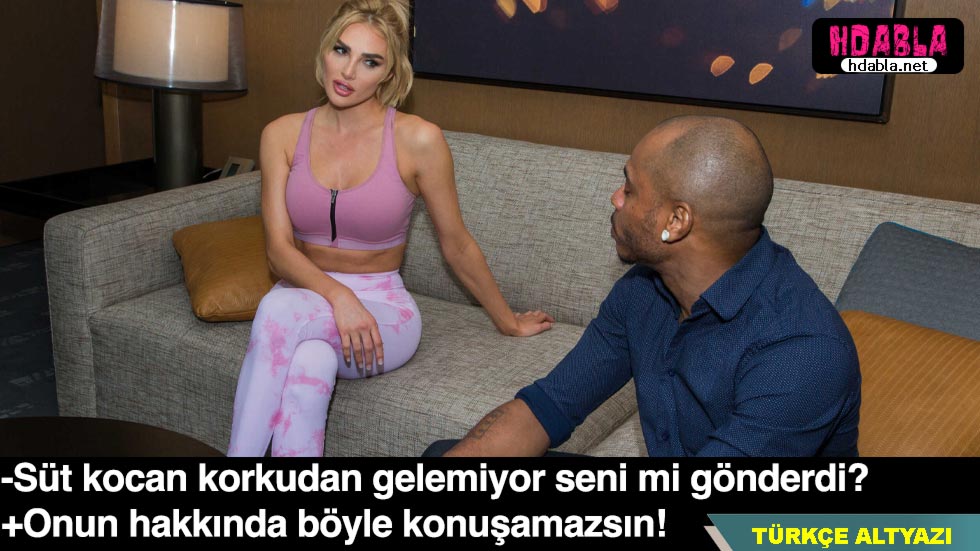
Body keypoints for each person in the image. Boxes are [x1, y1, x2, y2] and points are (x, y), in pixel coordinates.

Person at [227, 0, 554, 457]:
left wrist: (508, 321)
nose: (348, 71)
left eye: (370, 61)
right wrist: (340, 298)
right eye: (341, 50)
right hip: (305, 294)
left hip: (382, 310)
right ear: (324, 50)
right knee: (309, 362)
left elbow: (456, 244)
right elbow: (278, 252)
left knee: (277, 309)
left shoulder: (418, 139)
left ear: (390, 73)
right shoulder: (281, 134)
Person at [431, 115, 861, 457]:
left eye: (630, 188)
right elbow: (549, 407)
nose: (616, 198)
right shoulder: (645, 289)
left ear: (676, 221)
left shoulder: (804, 352)